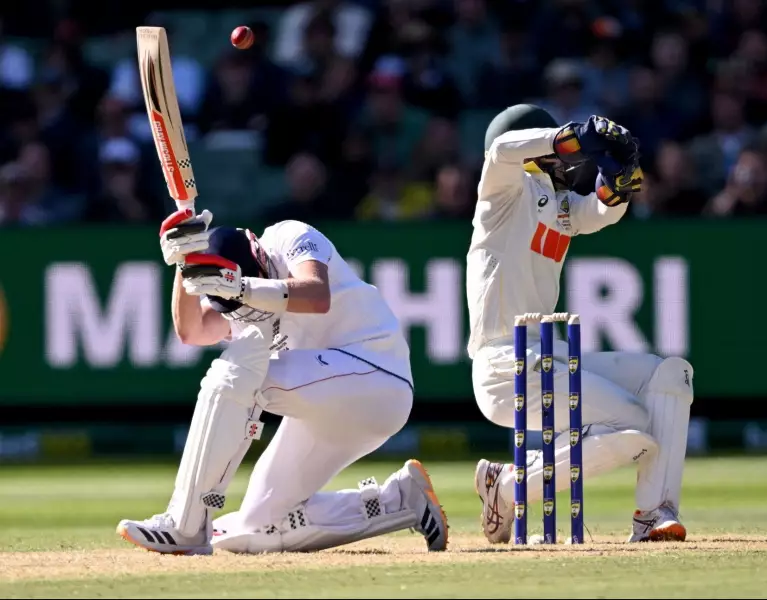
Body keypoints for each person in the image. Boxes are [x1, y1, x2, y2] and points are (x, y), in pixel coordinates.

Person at [117, 210, 448, 555]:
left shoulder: (287, 236)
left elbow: (317, 295)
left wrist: (243, 287)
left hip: (377, 376)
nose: (247, 314)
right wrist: (184, 264)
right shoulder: (236, 304)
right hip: (327, 408)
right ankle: (400, 500)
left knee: (234, 374)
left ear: (257, 254)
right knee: (258, 528)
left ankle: (184, 524)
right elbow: (192, 330)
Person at [468, 104, 693, 544]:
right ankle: (510, 488)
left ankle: (655, 513)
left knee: (668, 374)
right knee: (631, 421)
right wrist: (571, 134)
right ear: (536, 153)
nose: (569, 160)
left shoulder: (560, 205)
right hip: (502, 366)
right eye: (557, 151)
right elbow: (500, 149)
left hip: (547, 354)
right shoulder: (501, 193)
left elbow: (602, 211)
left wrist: (621, 180)